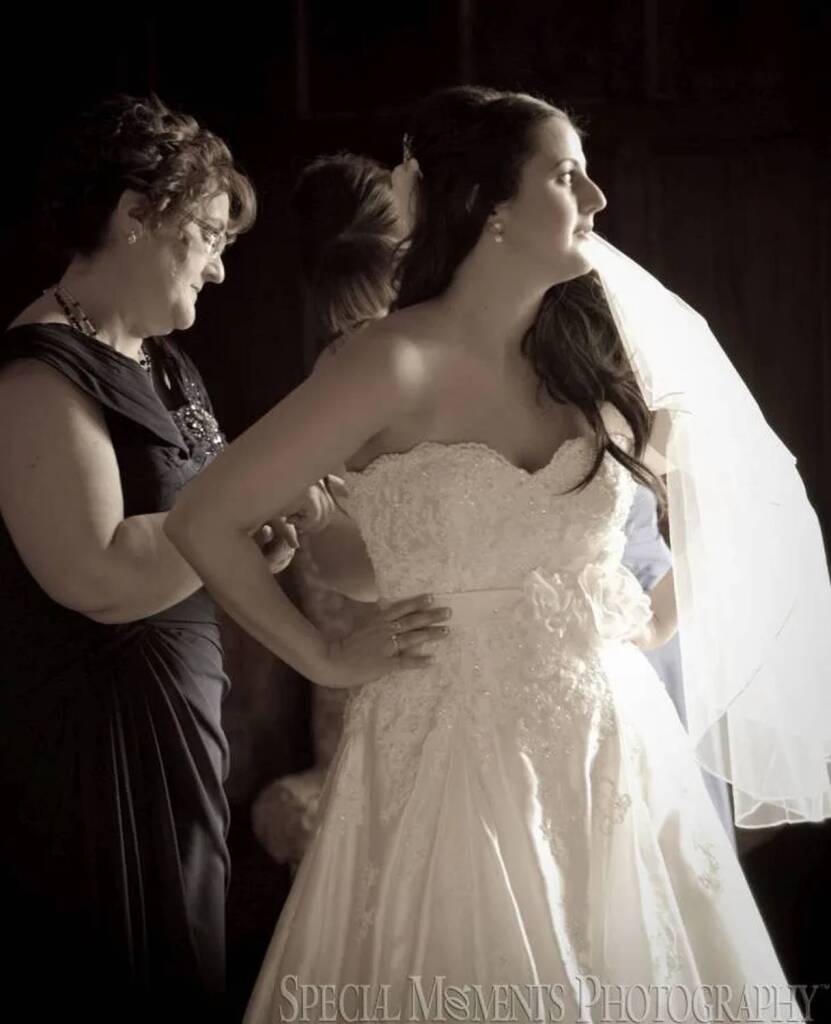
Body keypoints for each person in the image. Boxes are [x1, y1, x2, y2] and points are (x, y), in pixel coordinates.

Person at [166, 87, 826, 1022]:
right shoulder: (386, 361)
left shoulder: (591, 368)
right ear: (489, 206)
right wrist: (323, 655)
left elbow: (736, 511)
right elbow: (204, 518)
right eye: (565, 175)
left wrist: (642, 620)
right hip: (448, 754)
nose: (596, 198)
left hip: (613, 749)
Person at [0, 93, 325, 1019]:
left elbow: (204, 525)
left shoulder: (166, 363)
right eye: (209, 235)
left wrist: (257, 535)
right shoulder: (38, 373)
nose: (219, 268)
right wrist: (243, 510)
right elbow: (96, 573)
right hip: (95, 749)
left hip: (184, 725)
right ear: (136, 214)